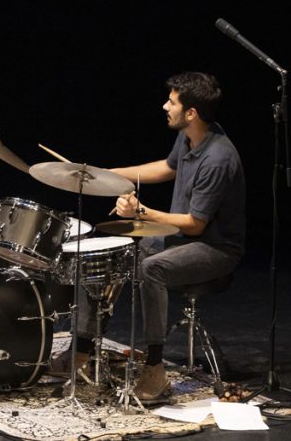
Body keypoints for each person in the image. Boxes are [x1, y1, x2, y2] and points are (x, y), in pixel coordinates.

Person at [54, 71, 245, 403]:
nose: (164, 106)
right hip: (182, 237)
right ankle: (83, 346)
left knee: (151, 268)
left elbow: (195, 225)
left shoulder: (218, 159)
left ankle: (155, 367)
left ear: (191, 112)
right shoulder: (193, 136)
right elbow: (167, 168)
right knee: (111, 251)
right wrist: (103, 175)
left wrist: (140, 212)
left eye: (171, 102)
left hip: (215, 248)